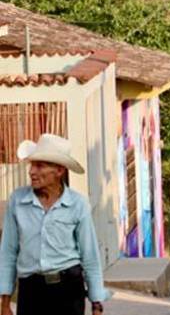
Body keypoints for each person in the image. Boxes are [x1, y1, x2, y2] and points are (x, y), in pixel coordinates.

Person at [0, 134, 109, 315]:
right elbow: (8, 253)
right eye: (32, 165)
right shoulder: (17, 201)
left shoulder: (77, 204)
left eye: (40, 166)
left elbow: (90, 256)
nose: (31, 172)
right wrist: (4, 303)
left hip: (69, 291)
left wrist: (96, 305)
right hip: (31, 291)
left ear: (59, 170)